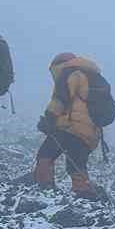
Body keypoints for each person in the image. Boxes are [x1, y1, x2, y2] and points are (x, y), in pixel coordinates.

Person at [35, 52, 104, 199]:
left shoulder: (69, 71)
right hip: (91, 133)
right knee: (76, 163)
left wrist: (49, 119)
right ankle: (85, 194)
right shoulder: (92, 76)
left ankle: (45, 191)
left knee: (45, 155)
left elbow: (60, 98)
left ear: (56, 67)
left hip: (71, 128)